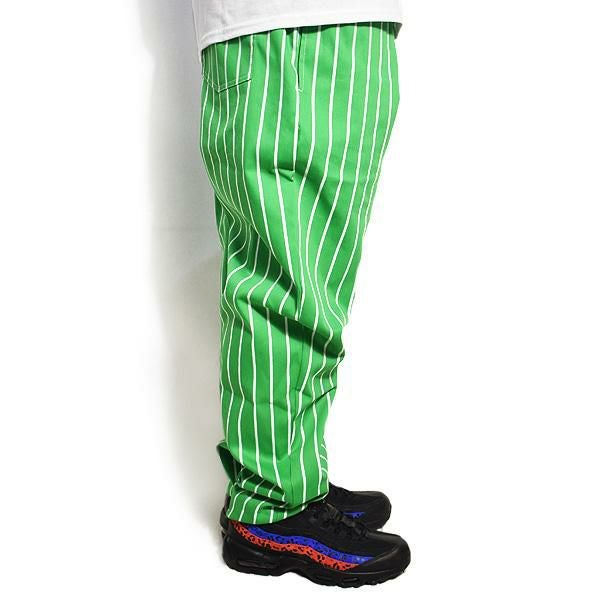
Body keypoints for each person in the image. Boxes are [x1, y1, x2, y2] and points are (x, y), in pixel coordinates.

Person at [192, 0, 409, 587]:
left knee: (319, 287)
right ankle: (268, 508)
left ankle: (296, 477)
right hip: (284, 32)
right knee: (285, 284)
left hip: (339, 29)